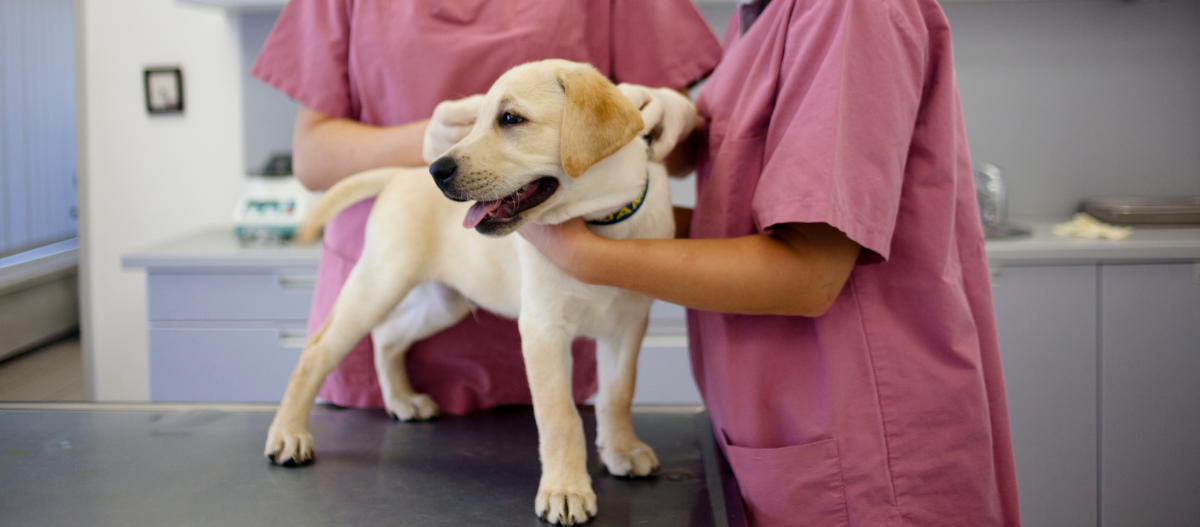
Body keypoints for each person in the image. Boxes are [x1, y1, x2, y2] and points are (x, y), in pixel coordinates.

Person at [519, 0, 1022, 525]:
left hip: (862, 442)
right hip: (773, 430)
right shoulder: (756, 16)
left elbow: (808, 274)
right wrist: (680, 126)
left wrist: (582, 253)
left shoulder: (850, 11)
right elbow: (733, 212)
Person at [250, 0, 723, 414]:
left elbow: (676, 155)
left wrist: (669, 117)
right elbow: (311, 158)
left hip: (563, 294)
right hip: (408, 253)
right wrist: (433, 143)